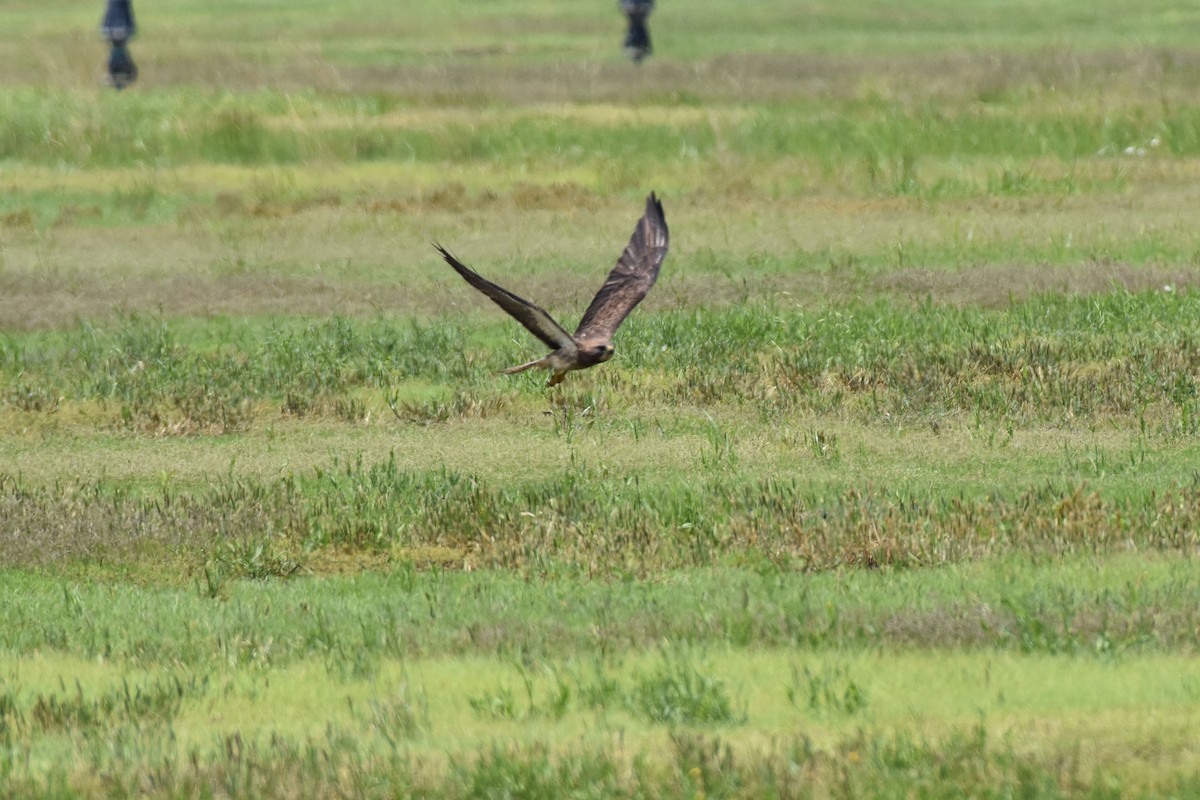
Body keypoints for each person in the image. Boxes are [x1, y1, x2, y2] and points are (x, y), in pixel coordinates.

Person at [100, 0, 138, 89]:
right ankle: (119, 76)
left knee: (118, 49)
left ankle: (119, 76)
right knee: (119, 48)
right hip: (119, 28)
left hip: (116, 28)